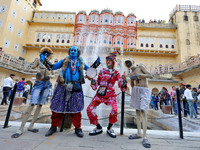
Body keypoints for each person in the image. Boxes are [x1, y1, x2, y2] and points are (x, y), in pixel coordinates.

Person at [43, 46, 90, 138]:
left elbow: (89, 70)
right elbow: (53, 67)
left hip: (76, 87)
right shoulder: (64, 60)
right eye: (71, 50)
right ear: (69, 52)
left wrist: (96, 67)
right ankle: (53, 127)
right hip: (62, 86)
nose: (73, 52)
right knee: (57, 107)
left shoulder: (81, 62)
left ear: (78, 53)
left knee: (76, 109)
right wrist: (44, 60)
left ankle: (77, 128)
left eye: (75, 50)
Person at [11, 47, 54, 138]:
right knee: (31, 105)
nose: (48, 56)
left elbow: (52, 73)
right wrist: (37, 73)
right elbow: (32, 69)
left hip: (46, 85)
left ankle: (31, 126)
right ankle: (21, 129)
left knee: (40, 106)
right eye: (47, 54)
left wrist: (50, 75)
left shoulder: (50, 64)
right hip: (39, 84)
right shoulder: (39, 60)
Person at [86, 51, 127, 138]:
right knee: (90, 109)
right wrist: (93, 81)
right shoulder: (102, 71)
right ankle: (98, 127)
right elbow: (97, 82)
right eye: (107, 60)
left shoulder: (116, 73)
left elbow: (120, 83)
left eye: (110, 60)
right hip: (100, 93)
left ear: (114, 62)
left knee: (114, 110)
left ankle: (109, 128)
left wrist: (124, 81)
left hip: (111, 94)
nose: (108, 62)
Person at [128, 63, 153, 148]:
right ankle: (139, 133)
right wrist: (131, 79)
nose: (129, 65)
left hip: (144, 90)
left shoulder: (141, 67)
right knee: (137, 111)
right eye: (127, 64)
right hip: (136, 90)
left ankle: (145, 137)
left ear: (132, 62)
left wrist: (140, 75)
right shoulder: (132, 71)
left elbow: (150, 75)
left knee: (143, 111)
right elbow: (132, 85)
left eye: (129, 63)